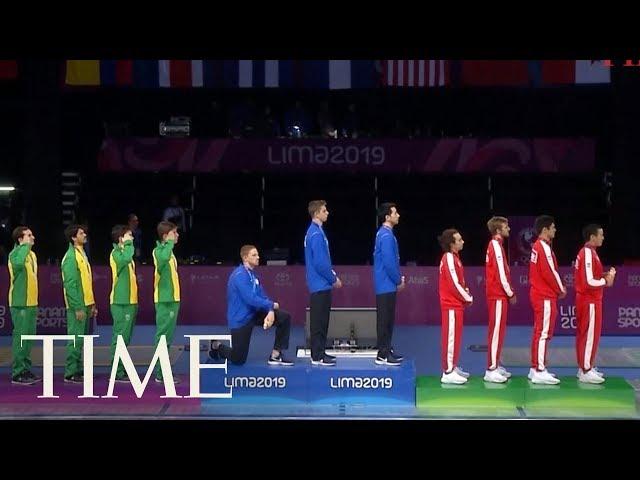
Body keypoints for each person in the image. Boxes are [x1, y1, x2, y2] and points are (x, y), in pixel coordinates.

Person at [209, 245, 293, 366]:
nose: (258, 257)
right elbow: (250, 299)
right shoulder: (239, 275)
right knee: (238, 359)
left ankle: (276, 355)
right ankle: (217, 346)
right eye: (254, 255)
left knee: (284, 317)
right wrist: (271, 305)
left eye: (257, 254)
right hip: (240, 319)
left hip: (254, 313)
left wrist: (270, 310)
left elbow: (262, 295)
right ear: (245, 258)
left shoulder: (253, 275)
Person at [574, 224, 616, 384]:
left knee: (586, 334)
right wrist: (606, 281)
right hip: (589, 300)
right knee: (589, 335)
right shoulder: (587, 253)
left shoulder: (591, 253)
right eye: (601, 235)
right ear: (592, 237)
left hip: (589, 299)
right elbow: (588, 281)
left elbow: (592, 275)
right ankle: (586, 369)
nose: (603, 237)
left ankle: (585, 366)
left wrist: (605, 275)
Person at [528, 215, 565, 385]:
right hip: (545, 296)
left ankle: (535, 368)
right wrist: (561, 288)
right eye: (553, 227)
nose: (555, 230)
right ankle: (539, 370)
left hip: (540, 294)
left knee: (539, 332)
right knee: (543, 333)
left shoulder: (538, 246)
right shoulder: (543, 247)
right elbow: (550, 272)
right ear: (545, 230)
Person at [304, 200, 342, 366]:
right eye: (324, 210)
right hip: (320, 284)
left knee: (321, 320)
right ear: (317, 213)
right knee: (319, 321)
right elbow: (320, 263)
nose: (327, 213)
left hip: (320, 283)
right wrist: (333, 279)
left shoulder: (316, 231)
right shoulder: (316, 234)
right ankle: (317, 355)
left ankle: (319, 352)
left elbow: (323, 260)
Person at [62, 224, 97, 383]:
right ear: (73, 238)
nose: (85, 234)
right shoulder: (70, 257)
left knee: (81, 339)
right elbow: (70, 285)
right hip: (77, 305)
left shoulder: (82, 254)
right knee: (75, 338)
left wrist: (92, 303)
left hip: (86, 303)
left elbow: (86, 282)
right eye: (81, 233)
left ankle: (78, 369)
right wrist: (77, 307)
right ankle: (70, 372)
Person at [438, 228, 473, 384]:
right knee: (450, 338)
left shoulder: (455, 258)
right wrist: (467, 298)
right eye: (459, 240)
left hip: (456, 305)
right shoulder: (449, 258)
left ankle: (453, 366)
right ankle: (448, 371)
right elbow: (453, 284)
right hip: (451, 305)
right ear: (452, 244)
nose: (463, 241)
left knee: (456, 338)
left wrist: (465, 293)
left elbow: (459, 283)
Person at [484, 216, 517, 383]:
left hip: (499, 295)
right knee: (496, 332)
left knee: (499, 331)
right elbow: (501, 273)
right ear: (498, 230)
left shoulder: (497, 245)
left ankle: (495, 365)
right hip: (497, 295)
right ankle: (491, 369)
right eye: (506, 227)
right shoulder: (495, 245)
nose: (509, 229)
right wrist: (510, 292)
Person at [7, 226, 41, 384]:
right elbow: (19, 264)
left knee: (28, 338)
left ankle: (25, 369)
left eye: (32, 234)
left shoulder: (32, 255)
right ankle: (17, 372)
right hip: (20, 303)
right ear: (20, 239)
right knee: (21, 337)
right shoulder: (15, 254)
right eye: (28, 235)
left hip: (31, 302)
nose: (32, 237)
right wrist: (24, 247)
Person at [373, 202, 405, 366]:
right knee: (385, 320)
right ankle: (382, 354)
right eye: (395, 213)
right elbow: (389, 262)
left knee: (388, 319)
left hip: (387, 284)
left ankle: (386, 349)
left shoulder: (386, 234)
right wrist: (398, 280)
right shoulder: (385, 236)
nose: (398, 215)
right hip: (386, 284)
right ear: (387, 217)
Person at [109, 225, 138, 382]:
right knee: (119, 337)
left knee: (125, 338)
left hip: (130, 301)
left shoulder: (126, 253)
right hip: (121, 302)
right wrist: (128, 245)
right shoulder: (116, 254)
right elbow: (126, 258)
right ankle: (116, 372)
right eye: (129, 236)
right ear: (121, 238)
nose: (132, 238)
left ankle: (121, 367)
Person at [153, 221, 181, 384]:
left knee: (167, 337)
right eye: (174, 233)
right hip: (165, 300)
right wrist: (169, 243)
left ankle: (163, 371)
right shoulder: (159, 251)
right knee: (163, 336)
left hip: (172, 299)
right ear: (165, 236)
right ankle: (160, 373)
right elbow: (162, 258)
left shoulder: (169, 252)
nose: (177, 235)